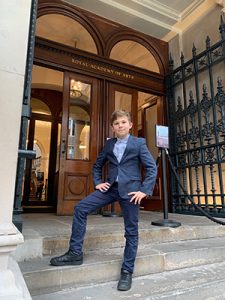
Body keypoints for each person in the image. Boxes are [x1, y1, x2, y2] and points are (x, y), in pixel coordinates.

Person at [50, 110, 157, 291]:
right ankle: (75, 253)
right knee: (81, 208)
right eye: (116, 123)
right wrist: (98, 182)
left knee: (131, 231)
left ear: (130, 125)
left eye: (123, 122)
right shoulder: (109, 145)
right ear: (112, 127)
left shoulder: (138, 143)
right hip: (110, 189)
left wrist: (144, 191)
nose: (120, 126)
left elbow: (151, 168)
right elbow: (98, 165)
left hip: (131, 192)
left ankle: (127, 271)